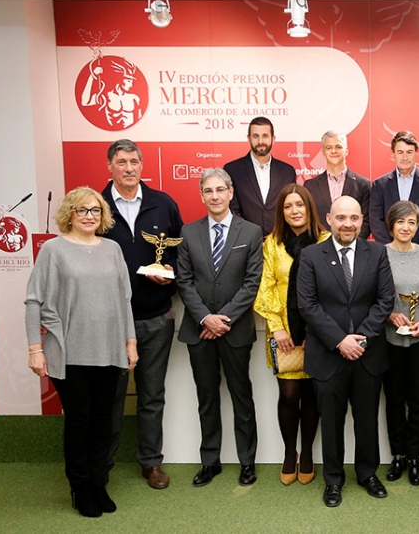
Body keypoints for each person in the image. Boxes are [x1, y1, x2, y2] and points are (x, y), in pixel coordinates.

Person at [25, 187, 138, 518]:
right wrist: (35, 349)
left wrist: (130, 342)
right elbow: (34, 300)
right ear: (69, 214)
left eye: (95, 211)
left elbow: (124, 301)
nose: (89, 216)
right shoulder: (54, 251)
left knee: (104, 421)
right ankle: (80, 487)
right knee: (80, 421)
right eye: (82, 210)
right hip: (69, 351)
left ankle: (99, 482)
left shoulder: (113, 249)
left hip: (110, 349)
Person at [297, 196, 395, 507]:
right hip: (328, 354)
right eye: (341, 218)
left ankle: (367, 474)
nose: (348, 224)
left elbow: (385, 300)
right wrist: (341, 341)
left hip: (368, 354)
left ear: (361, 220)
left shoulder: (377, 252)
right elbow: (307, 305)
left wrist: (361, 338)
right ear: (329, 219)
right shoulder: (311, 255)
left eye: (354, 218)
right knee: (332, 422)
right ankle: (333, 480)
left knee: (367, 419)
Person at [102, 139, 183, 490]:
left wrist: (168, 271)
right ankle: (101, 465)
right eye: (121, 162)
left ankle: (151, 463)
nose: (129, 168)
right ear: (110, 167)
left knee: (152, 394)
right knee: (110, 397)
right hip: (108, 321)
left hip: (155, 317)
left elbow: (183, 254)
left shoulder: (162, 204)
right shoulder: (96, 206)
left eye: (134, 161)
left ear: (142, 164)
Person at [175, 168, 263, 488]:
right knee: (207, 398)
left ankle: (247, 462)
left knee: (242, 396)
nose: (214, 196)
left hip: (235, 330)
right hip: (199, 331)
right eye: (208, 191)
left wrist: (223, 319)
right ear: (202, 196)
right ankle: (210, 461)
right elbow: (184, 282)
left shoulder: (251, 232)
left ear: (230, 193)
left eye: (220, 190)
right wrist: (205, 318)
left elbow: (252, 282)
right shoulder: (188, 232)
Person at [254, 184, 329, 486]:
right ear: (281, 212)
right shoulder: (272, 244)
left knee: (311, 394)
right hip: (282, 330)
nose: (295, 211)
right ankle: (289, 453)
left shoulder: (326, 240)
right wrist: (278, 327)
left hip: (317, 332)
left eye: (300, 205)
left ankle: (308, 453)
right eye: (288, 206)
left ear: (310, 208)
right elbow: (266, 285)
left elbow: (330, 289)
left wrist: (318, 330)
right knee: (288, 394)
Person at [381, 201, 419, 486]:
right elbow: (372, 293)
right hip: (389, 339)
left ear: (418, 225)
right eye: (401, 222)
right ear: (391, 224)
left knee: (417, 400)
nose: (406, 227)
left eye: (411, 222)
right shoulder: (379, 254)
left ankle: (415, 458)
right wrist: (389, 315)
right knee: (393, 400)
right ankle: (398, 455)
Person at [370, 130, 419, 248]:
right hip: (388, 253)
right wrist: (389, 248)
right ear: (393, 154)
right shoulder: (380, 185)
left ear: (416, 153)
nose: (405, 157)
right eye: (400, 152)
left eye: (409, 152)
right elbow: (376, 221)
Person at [224, 117, 297, 236]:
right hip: (245, 242)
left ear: (273, 139)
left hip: (280, 242)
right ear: (249, 138)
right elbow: (232, 210)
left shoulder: (287, 171)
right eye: (255, 136)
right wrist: (249, 236)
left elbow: (290, 208)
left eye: (265, 136)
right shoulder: (232, 170)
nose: (260, 141)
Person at [304, 130, 372, 239]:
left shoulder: (363, 184)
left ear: (346, 151)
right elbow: (308, 221)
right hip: (319, 250)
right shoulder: (310, 186)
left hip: (352, 249)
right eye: (329, 147)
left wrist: (350, 244)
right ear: (323, 152)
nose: (333, 151)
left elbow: (367, 221)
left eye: (338, 147)